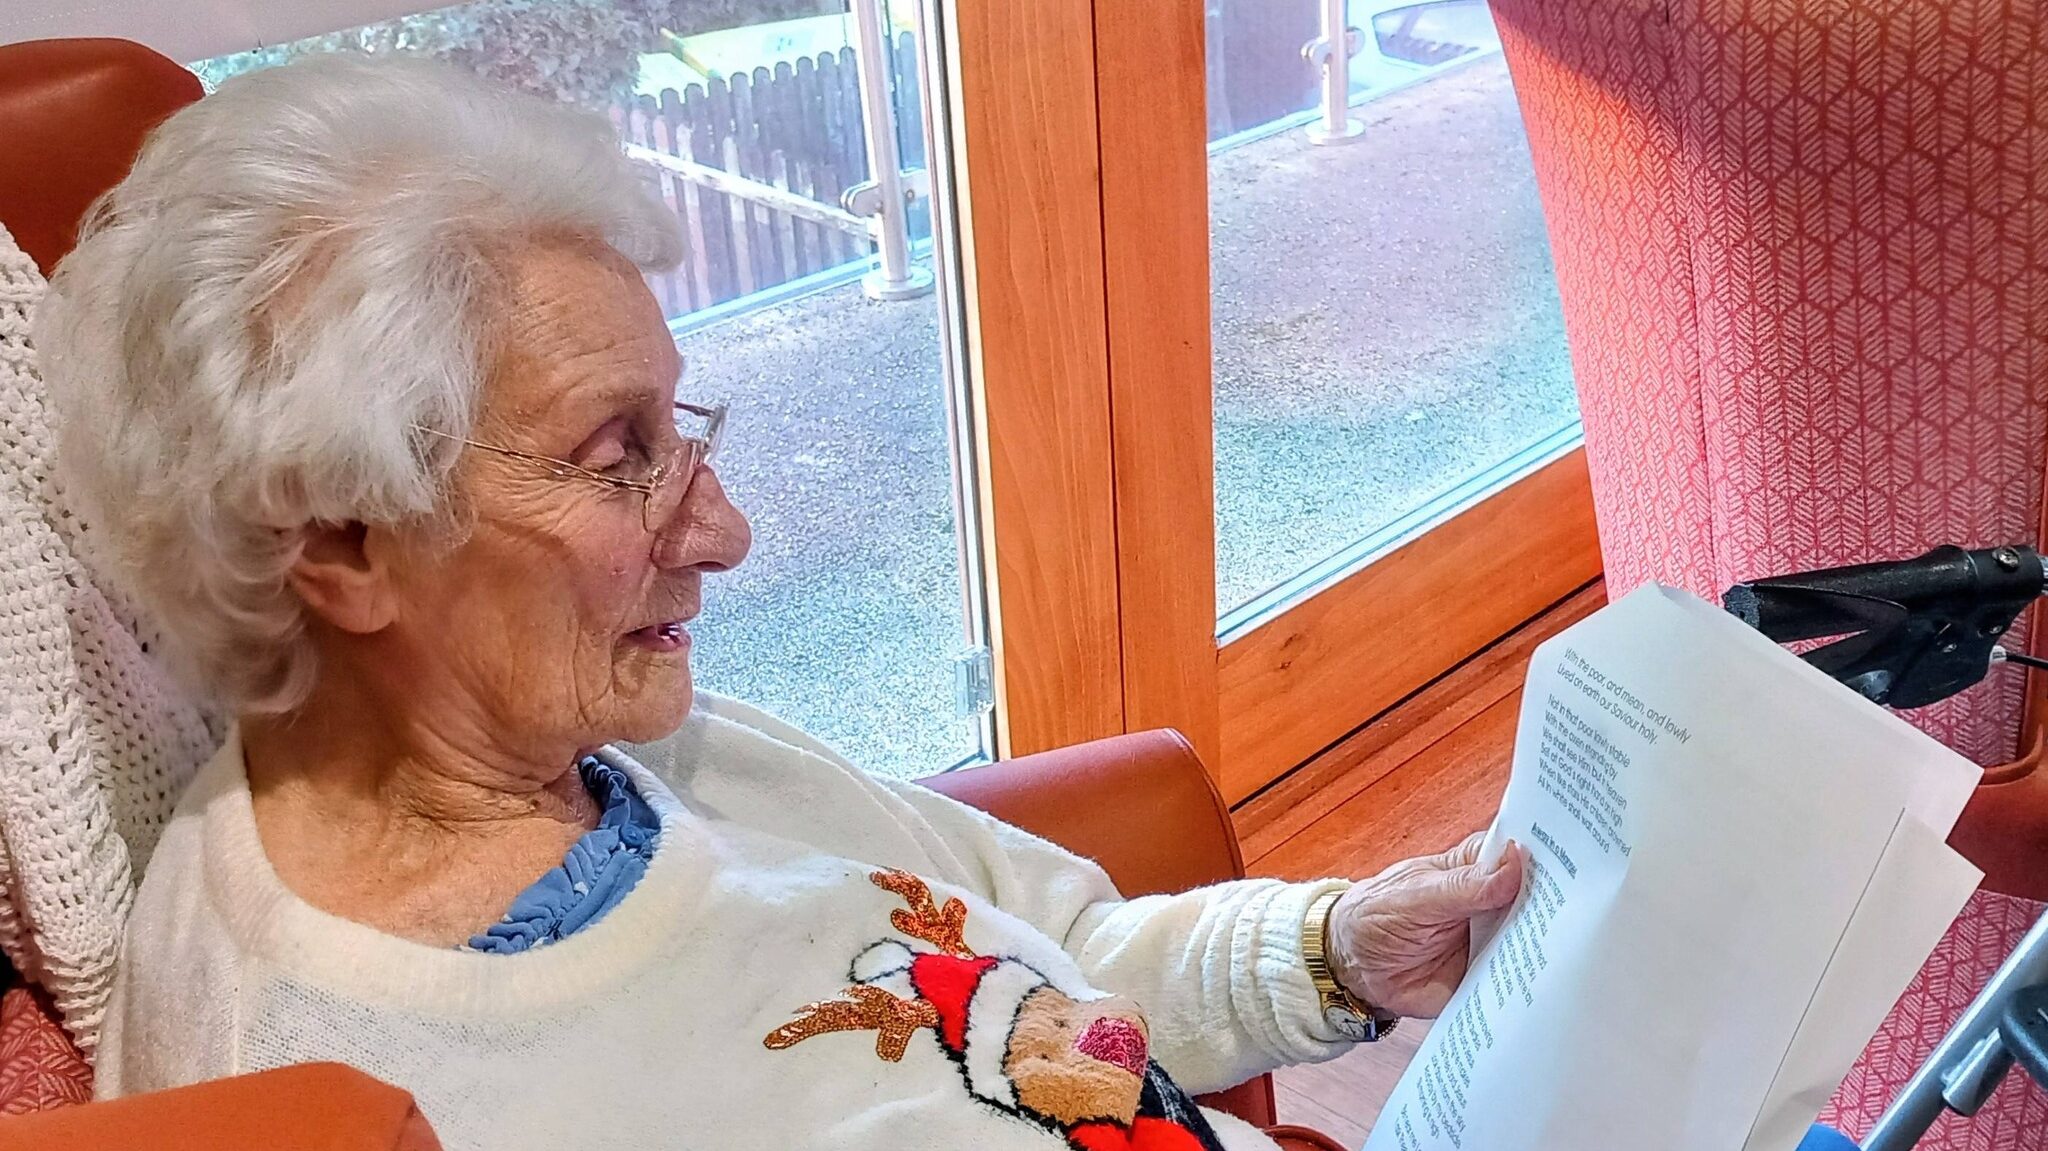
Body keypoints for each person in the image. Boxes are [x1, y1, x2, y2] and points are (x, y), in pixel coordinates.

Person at [35, 55, 1523, 1151]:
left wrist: (1336, 951)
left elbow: (1062, 972)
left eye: (685, 430)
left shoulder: (625, 744)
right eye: (618, 460)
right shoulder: (315, 1079)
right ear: (342, 543)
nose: (727, 532)